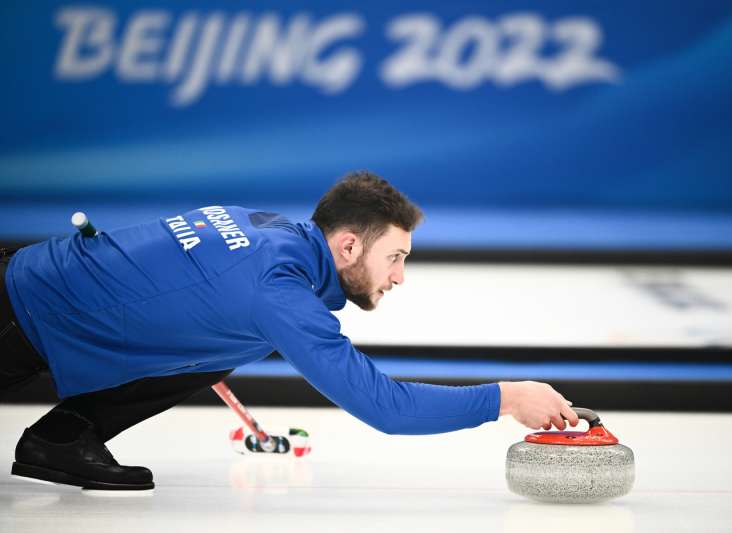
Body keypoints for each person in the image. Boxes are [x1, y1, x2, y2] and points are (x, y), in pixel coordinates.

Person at [1, 171, 578, 491]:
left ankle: (63, 436)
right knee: (242, 333)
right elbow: (388, 409)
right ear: (349, 245)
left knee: (227, 338)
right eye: (396, 257)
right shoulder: (279, 292)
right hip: (13, 319)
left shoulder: (269, 229)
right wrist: (508, 398)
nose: (400, 277)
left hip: (27, 287)